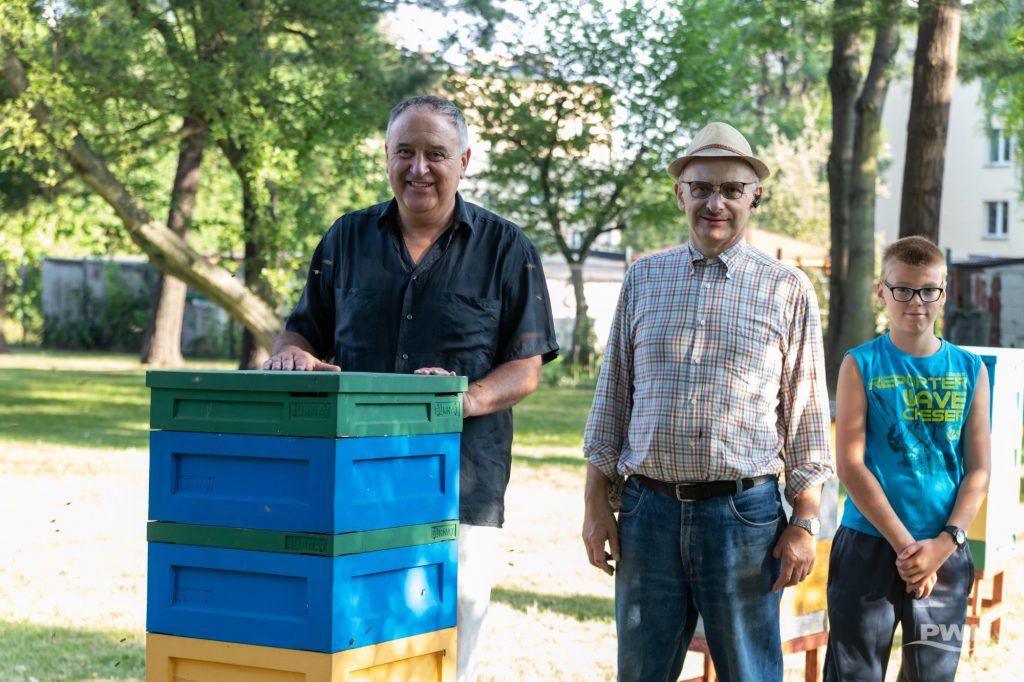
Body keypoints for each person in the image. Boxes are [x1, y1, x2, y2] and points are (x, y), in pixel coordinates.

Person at [263, 95, 559, 681]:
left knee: (448, 645)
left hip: (459, 482)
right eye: (406, 152)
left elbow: (526, 366)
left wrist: (463, 399)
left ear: (465, 160)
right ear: (387, 157)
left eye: (435, 154)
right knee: (352, 640)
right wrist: (292, 353)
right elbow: (303, 330)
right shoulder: (345, 239)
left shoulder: (507, 248)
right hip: (349, 478)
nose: (419, 168)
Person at [582, 121, 834, 682]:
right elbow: (612, 399)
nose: (714, 202)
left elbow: (807, 418)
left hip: (745, 520)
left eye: (730, 189)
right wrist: (595, 502)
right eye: (701, 188)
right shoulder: (642, 278)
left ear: (754, 197)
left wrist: (805, 521)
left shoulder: (787, 288)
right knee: (641, 672)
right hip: (647, 515)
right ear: (680, 194)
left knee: (750, 672)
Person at [824, 236, 990, 681]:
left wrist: (945, 543)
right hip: (869, 546)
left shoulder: (970, 369)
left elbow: (978, 469)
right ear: (882, 291)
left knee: (930, 676)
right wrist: (904, 547)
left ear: (944, 292)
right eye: (902, 289)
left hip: (945, 550)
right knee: (853, 674)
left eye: (928, 290)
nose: (916, 302)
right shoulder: (859, 365)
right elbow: (851, 465)